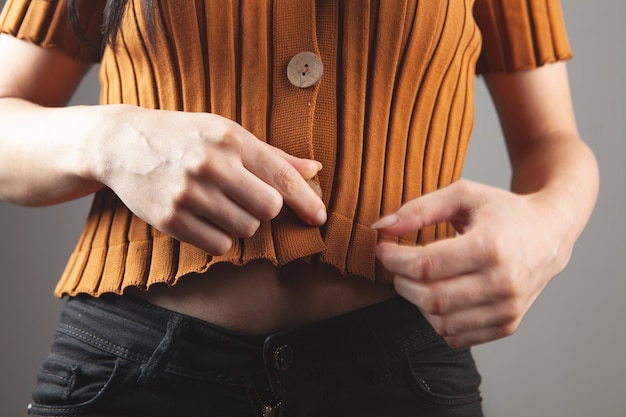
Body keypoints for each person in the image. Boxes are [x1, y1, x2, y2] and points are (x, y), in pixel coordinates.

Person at [0, 0, 598, 416]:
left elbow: (550, 141)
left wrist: (550, 225)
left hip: (400, 374)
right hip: (132, 372)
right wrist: (115, 141)